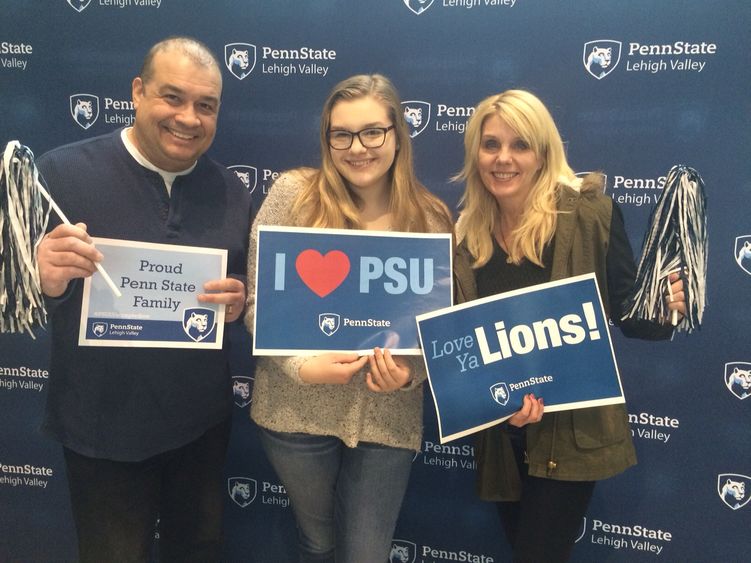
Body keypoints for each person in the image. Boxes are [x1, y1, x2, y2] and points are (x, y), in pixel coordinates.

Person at [36, 37, 252, 562]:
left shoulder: (231, 192)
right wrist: (41, 276)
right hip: (101, 431)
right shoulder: (59, 175)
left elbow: (238, 293)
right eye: (172, 97)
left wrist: (239, 300)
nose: (188, 118)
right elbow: (15, 299)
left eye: (206, 105)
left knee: (198, 552)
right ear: (137, 91)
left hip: (199, 426)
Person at [452, 89, 686, 563]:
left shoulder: (588, 215)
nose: (503, 158)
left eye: (520, 145)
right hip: (502, 436)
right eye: (490, 144)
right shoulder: (464, 235)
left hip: (570, 436)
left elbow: (629, 313)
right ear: (475, 152)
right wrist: (493, 408)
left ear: (543, 152)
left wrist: (666, 310)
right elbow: (462, 349)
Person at [244, 74, 452, 563]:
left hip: (386, 422)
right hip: (295, 412)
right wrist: (301, 366)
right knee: (317, 542)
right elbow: (257, 303)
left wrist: (408, 375)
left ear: (397, 134)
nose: (357, 147)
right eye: (342, 134)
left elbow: (440, 331)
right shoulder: (292, 196)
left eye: (372, 132)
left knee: (366, 554)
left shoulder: (431, 219)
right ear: (327, 139)